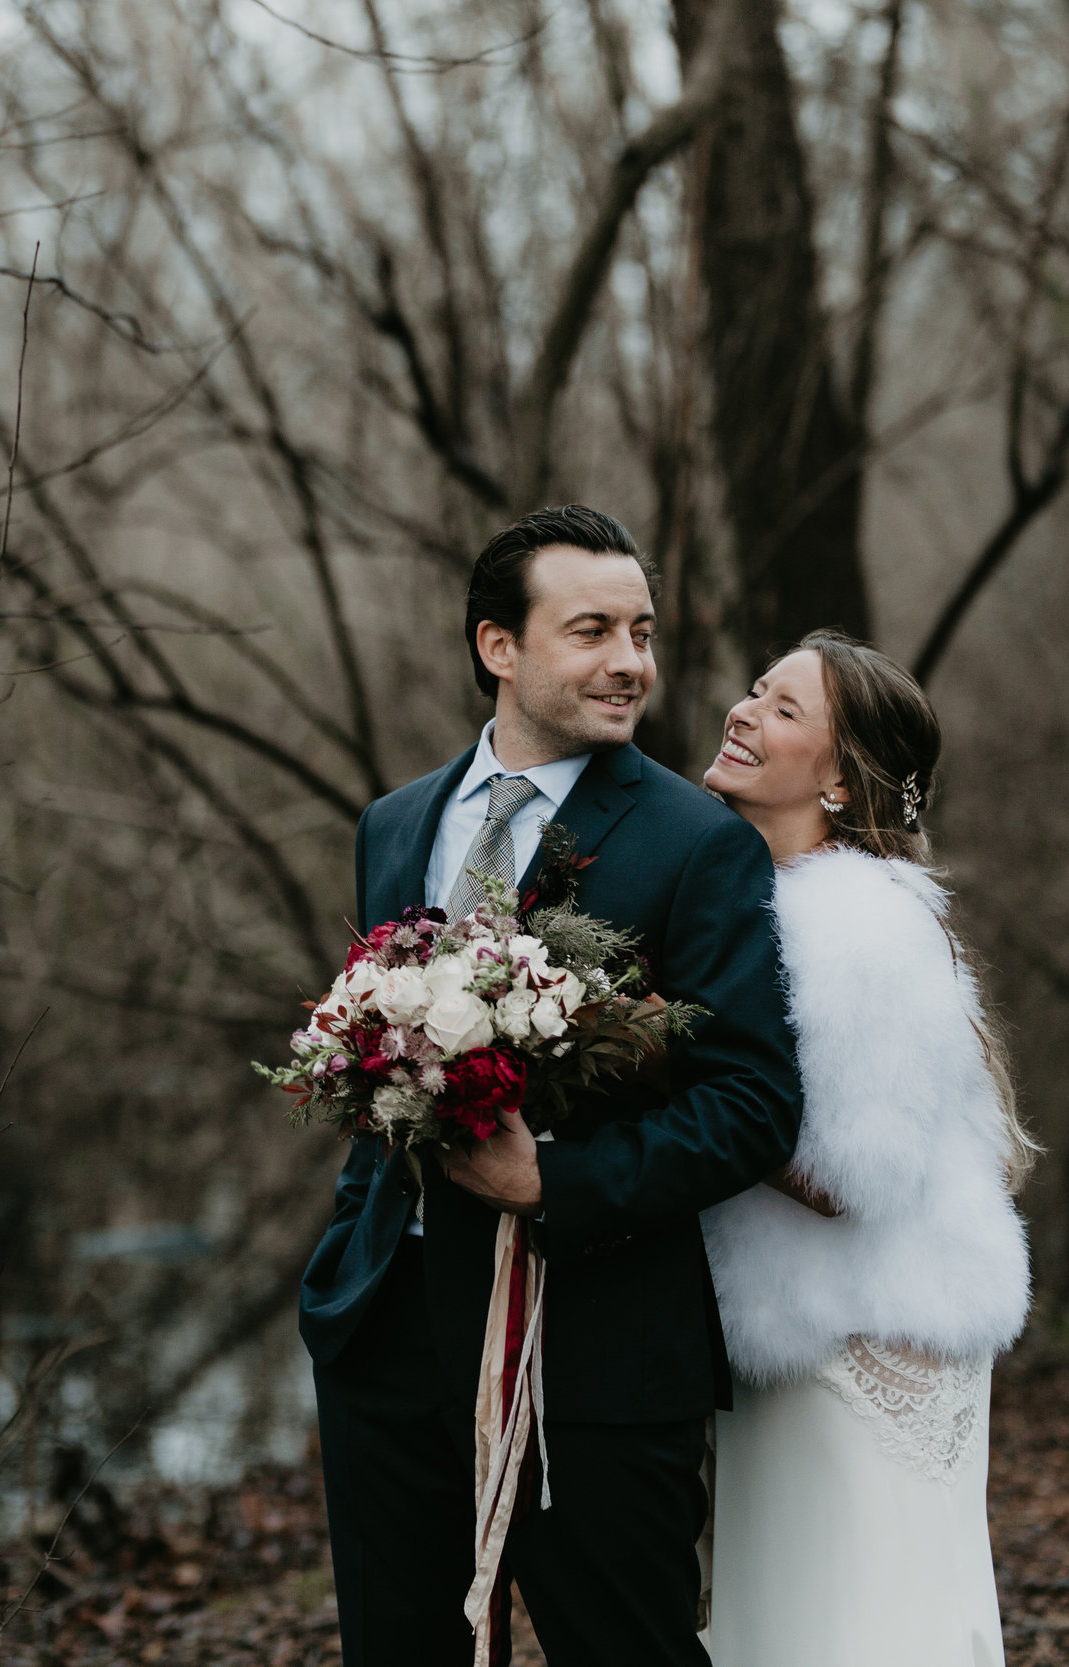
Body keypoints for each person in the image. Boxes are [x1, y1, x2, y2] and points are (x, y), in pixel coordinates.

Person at [299, 505, 804, 1667]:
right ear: (499, 647)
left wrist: (552, 1179)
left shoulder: (695, 842)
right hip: (388, 1326)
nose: (631, 660)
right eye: (592, 630)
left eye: (641, 629)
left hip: (595, 1346)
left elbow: (752, 1101)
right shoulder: (393, 822)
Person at [696, 630, 1037, 1667]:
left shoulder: (852, 922)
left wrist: (666, 1072)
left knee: (860, 1625)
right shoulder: (781, 899)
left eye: (784, 709)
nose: (744, 711)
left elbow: (850, 1175)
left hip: (861, 1339)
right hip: (816, 1326)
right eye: (755, 690)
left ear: (841, 779)